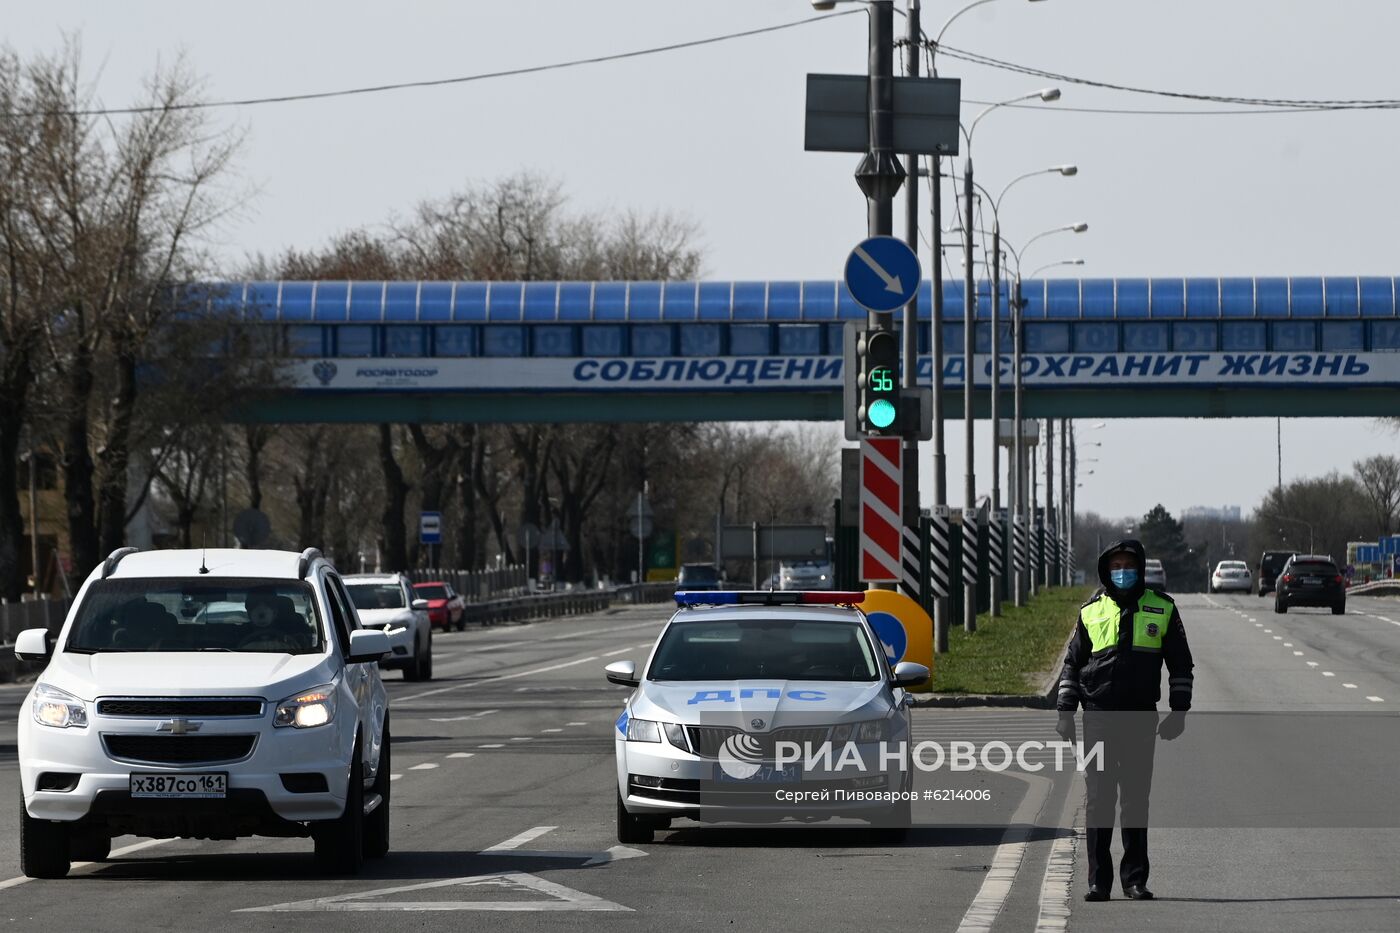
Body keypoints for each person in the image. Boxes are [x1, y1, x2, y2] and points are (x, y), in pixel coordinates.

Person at [1055, 539, 1194, 903]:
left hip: (1140, 718)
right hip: (1098, 717)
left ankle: (1135, 880)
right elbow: (1072, 664)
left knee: (1135, 800)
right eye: (1116, 566)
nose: (1122, 572)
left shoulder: (1162, 608)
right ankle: (1098, 882)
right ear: (1106, 570)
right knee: (1099, 800)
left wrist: (1179, 711)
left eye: (1128, 565)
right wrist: (1065, 712)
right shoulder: (1090, 611)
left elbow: (1181, 664)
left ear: (1140, 569)